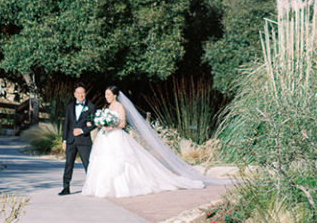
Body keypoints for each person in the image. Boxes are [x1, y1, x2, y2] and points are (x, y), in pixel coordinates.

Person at [82, 85, 213, 198]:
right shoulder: (106, 107)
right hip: (105, 138)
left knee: (121, 162)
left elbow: (122, 124)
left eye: (109, 94)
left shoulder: (119, 107)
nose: (106, 96)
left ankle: (122, 188)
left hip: (116, 136)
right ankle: (102, 188)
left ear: (115, 95)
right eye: (106, 94)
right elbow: (101, 121)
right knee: (104, 161)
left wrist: (110, 127)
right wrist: (100, 124)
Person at [59, 82, 96, 196]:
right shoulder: (70, 106)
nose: (80, 95)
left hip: (84, 141)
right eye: (78, 93)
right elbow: (67, 124)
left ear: (85, 94)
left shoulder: (90, 107)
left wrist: (82, 130)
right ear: (74, 94)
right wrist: (64, 140)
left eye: (82, 93)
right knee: (68, 164)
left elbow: (95, 123)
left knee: (87, 164)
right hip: (70, 140)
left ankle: (92, 187)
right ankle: (66, 187)